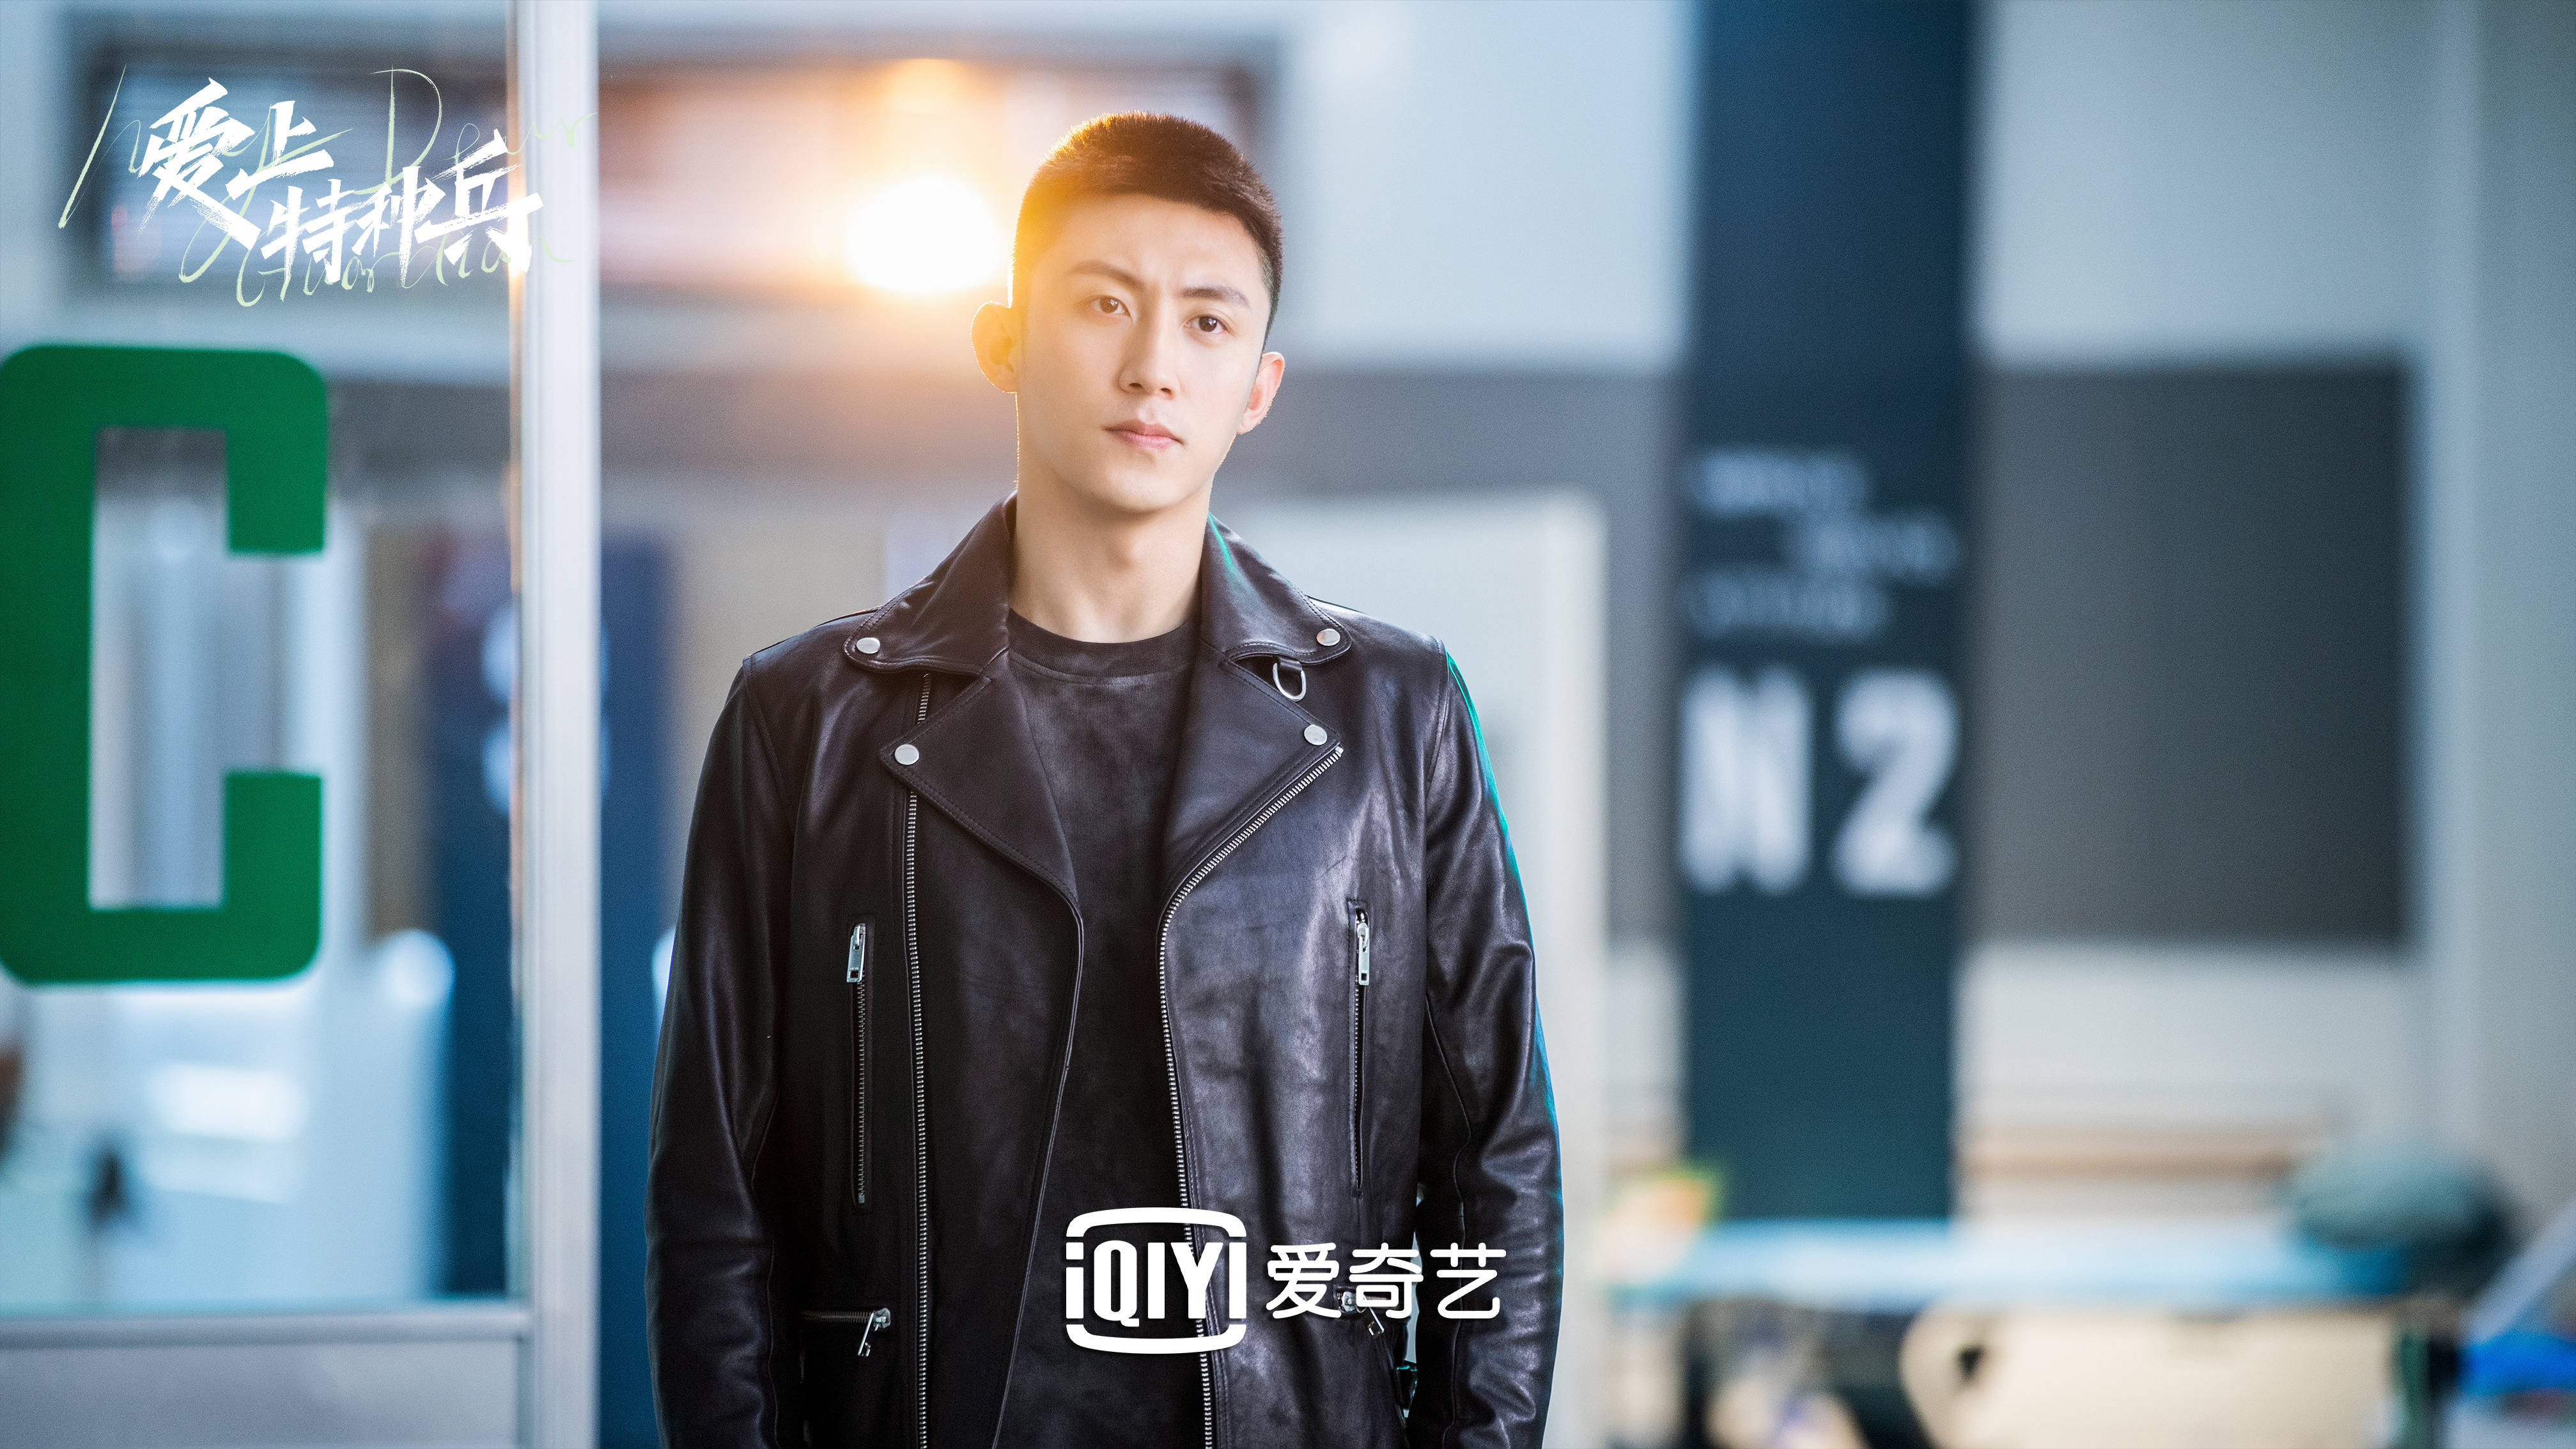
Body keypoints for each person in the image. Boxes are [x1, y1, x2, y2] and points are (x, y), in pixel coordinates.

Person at [648, 112, 1560, 1448]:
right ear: (1004, 341)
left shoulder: (1391, 715)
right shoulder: (810, 717)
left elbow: (1496, 1171)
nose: (1152, 367)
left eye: (1207, 322)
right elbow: (716, 1195)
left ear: (1257, 384)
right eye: (1102, 305)